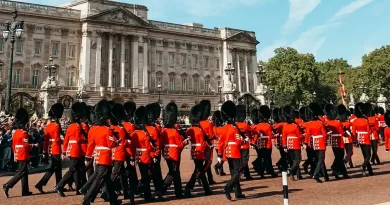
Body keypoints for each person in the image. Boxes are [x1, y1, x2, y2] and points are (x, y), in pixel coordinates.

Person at [81, 99, 122, 205]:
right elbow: (110, 144)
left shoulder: (93, 129)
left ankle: (113, 199)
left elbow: (90, 145)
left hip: (97, 157)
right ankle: (87, 199)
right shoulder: (107, 130)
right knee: (99, 179)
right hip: (105, 157)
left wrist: (88, 157)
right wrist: (117, 142)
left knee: (107, 180)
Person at [3, 108, 39, 198]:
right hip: (23, 154)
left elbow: (13, 145)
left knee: (24, 172)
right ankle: (7, 185)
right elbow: (26, 145)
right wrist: (34, 145)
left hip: (18, 153)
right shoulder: (24, 133)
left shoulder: (16, 133)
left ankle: (25, 190)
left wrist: (15, 154)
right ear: (25, 123)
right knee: (21, 172)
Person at [54, 102, 86, 197]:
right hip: (76, 150)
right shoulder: (78, 126)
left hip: (71, 149)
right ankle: (59, 185)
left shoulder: (70, 126)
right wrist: (86, 139)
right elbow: (78, 139)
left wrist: (64, 151)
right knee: (72, 169)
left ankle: (79, 188)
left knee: (78, 169)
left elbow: (66, 139)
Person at [184, 104, 213, 197]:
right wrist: (209, 146)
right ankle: (188, 187)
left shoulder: (190, 129)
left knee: (199, 169)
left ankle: (207, 189)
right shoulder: (200, 130)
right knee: (198, 169)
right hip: (200, 150)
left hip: (193, 150)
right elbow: (204, 142)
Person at [35, 103, 65, 194]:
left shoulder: (48, 126)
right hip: (56, 148)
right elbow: (56, 139)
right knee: (53, 168)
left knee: (58, 168)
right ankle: (41, 184)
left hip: (50, 148)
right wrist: (64, 142)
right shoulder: (56, 126)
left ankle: (59, 185)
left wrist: (45, 151)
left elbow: (46, 141)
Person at [160, 102, 187, 198]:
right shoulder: (174, 132)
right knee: (173, 172)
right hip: (174, 154)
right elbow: (179, 145)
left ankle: (178, 191)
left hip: (167, 154)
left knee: (176, 172)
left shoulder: (163, 131)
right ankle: (162, 189)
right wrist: (185, 142)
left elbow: (161, 144)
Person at [220, 101, 246, 201]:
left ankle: (238, 193)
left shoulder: (224, 128)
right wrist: (244, 140)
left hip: (228, 152)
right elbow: (238, 141)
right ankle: (228, 187)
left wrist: (220, 155)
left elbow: (222, 141)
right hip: (235, 151)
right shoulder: (234, 128)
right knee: (238, 172)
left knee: (233, 173)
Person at [324, 104, 349, 179]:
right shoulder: (337, 123)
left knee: (338, 156)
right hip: (339, 141)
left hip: (333, 141)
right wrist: (347, 134)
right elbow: (342, 133)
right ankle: (334, 168)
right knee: (340, 157)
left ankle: (343, 173)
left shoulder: (327, 122)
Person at [305, 102, 328, 183]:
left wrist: (306, 143)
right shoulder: (320, 123)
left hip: (313, 143)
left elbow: (307, 135)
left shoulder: (309, 124)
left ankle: (325, 176)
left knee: (319, 159)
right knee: (321, 159)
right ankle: (316, 173)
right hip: (321, 142)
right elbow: (324, 134)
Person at [145, 103, 163, 200]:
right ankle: (158, 191)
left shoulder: (145, 127)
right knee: (154, 173)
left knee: (149, 172)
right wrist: (156, 155)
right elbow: (158, 142)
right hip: (154, 153)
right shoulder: (154, 128)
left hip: (147, 153)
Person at [253, 105, 277, 178]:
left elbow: (256, 136)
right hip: (267, 144)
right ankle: (268, 170)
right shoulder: (268, 125)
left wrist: (254, 143)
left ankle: (262, 171)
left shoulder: (257, 126)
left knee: (261, 157)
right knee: (268, 158)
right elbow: (270, 136)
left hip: (260, 144)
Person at [281, 105, 303, 181]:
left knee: (293, 160)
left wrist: (284, 146)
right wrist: (302, 141)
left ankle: (297, 175)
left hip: (288, 143)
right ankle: (291, 170)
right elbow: (299, 136)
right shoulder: (295, 126)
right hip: (295, 143)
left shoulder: (285, 126)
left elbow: (283, 137)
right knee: (298, 159)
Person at [352, 102, 373, 177]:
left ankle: (369, 171)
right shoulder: (365, 121)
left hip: (359, 138)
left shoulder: (354, 121)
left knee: (365, 155)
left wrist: (354, 141)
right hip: (366, 137)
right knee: (368, 155)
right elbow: (369, 131)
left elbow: (354, 132)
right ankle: (364, 166)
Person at [198, 100, 216, 184]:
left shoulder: (199, 123)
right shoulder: (209, 124)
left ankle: (210, 179)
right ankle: (199, 175)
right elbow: (211, 135)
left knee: (204, 162)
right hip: (208, 145)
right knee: (208, 161)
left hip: (201, 144)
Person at [235, 104, 253, 180]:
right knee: (244, 160)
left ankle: (247, 174)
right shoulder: (245, 125)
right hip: (244, 145)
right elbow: (253, 130)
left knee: (240, 160)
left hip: (237, 144)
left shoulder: (234, 125)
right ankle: (239, 173)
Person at [338, 104, 354, 169]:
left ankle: (350, 163)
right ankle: (345, 162)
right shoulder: (348, 122)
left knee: (344, 152)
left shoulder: (338, 122)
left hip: (341, 138)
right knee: (349, 152)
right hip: (347, 137)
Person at [213, 110, 226, 176]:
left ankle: (221, 171)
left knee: (219, 157)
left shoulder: (213, 128)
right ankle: (217, 166)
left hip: (215, 144)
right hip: (221, 144)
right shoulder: (222, 128)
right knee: (224, 157)